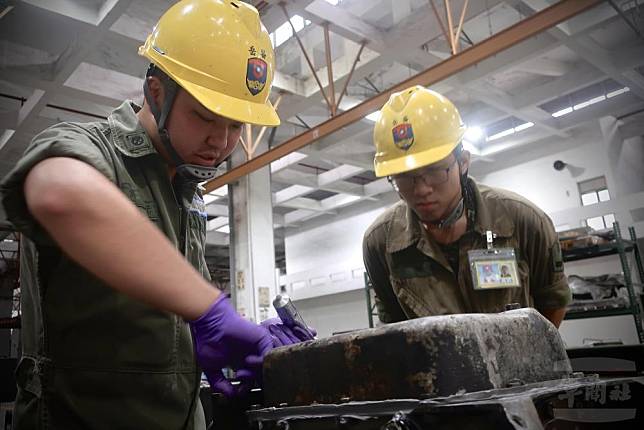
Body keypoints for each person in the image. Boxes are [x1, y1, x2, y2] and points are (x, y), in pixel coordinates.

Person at [0, 1, 311, 428]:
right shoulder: (93, 149)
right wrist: (208, 311)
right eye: (204, 116)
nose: (221, 143)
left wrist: (208, 340)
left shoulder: (187, 194)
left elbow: (172, 305)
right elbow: (58, 194)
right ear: (156, 92)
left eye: (236, 125)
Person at [362, 86, 571, 328]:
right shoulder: (381, 243)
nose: (421, 189)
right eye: (404, 178)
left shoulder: (522, 220)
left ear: (463, 162)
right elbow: (393, 327)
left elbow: (554, 301)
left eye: (434, 171)